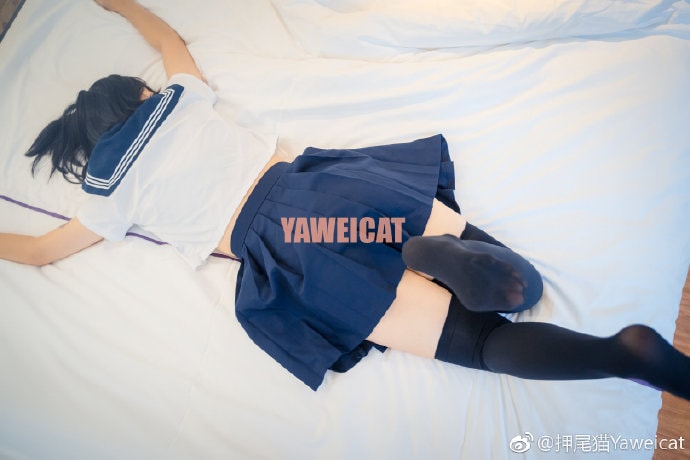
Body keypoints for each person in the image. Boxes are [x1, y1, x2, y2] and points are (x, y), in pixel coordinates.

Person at [1, 0, 688, 399]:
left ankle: (620, 356)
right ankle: (435, 253)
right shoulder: (177, 101)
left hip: (287, 253)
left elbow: (36, 251)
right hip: (323, 190)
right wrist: (122, 6)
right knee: (518, 284)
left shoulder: (106, 197)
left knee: (484, 344)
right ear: (139, 94)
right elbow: (168, 40)